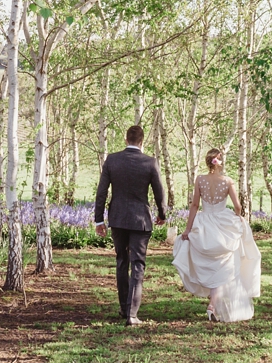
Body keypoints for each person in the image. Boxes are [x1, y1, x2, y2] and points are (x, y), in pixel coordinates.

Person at [172, 148, 261, 322]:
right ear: (220, 162)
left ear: (208, 162)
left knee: (215, 268)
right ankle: (212, 305)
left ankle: (212, 304)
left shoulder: (200, 180)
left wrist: (188, 229)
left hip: (204, 224)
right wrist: (237, 217)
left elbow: (195, 205)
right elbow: (237, 206)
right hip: (223, 225)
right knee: (224, 267)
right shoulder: (228, 181)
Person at [93, 124, 166, 326]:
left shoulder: (112, 160)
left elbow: (102, 192)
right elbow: (159, 193)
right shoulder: (150, 162)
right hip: (140, 220)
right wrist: (162, 214)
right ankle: (132, 314)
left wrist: (99, 220)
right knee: (138, 264)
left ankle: (124, 308)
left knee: (121, 261)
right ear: (142, 142)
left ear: (126, 140)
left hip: (117, 218)